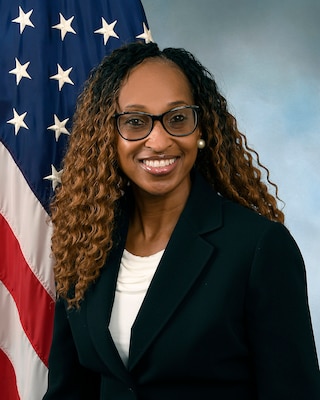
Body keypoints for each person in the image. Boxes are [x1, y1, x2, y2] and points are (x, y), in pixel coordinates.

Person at [43, 41, 320, 399]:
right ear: (107, 135)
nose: (158, 141)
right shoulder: (85, 242)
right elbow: (69, 391)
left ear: (200, 128)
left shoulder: (258, 247)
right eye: (135, 122)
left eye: (177, 119)